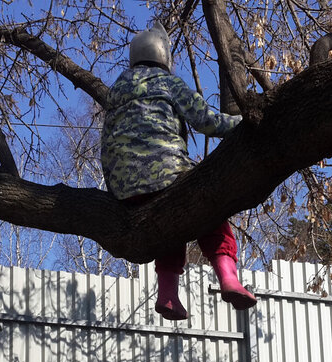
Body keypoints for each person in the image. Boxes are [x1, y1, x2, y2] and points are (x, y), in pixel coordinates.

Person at [101, 24, 257, 321]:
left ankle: (168, 295)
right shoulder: (168, 83)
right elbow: (206, 120)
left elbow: (105, 144)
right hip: (167, 174)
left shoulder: (116, 91)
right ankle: (228, 278)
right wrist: (244, 123)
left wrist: (114, 188)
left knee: (168, 228)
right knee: (210, 214)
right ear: (165, 56)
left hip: (125, 190)